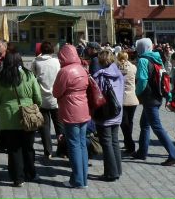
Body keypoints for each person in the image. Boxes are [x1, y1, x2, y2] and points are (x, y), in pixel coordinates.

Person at [0, 51, 42, 188]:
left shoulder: (0, 78)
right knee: (28, 147)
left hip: (8, 117)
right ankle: (30, 173)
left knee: (13, 149)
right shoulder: (28, 75)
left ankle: (17, 178)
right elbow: (37, 96)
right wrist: (35, 105)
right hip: (28, 115)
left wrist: (2, 108)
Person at [131, 37, 175, 165]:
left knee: (156, 127)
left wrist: (136, 93)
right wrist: (168, 96)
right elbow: (164, 78)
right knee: (144, 124)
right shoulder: (157, 58)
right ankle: (142, 151)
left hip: (149, 98)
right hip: (157, 96)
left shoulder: (143, 60)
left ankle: (173, 154)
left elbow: (142, 80)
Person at [52, 43, 90, 189]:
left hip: (70, 110)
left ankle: (77, 180)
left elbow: (56, 92)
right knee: (81, 145)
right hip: (83, 109)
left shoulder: (65, 71)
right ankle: (83, 178)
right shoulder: (82, 68)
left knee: (73, 145)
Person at [93, 48, 124, 181]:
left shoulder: (100, 76)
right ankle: (117, 169)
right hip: (117, 111)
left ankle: (111, 173)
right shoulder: (119, 74)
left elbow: (96, 95)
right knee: (114, 141)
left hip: (105, 113)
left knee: (106, 142)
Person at [32, 41, 62, 161]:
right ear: (52, 51)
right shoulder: (56, 61)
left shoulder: (36, 62)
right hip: (56, 98)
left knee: (44, 127)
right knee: (59, 126)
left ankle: (47, 151)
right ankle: (62, 149)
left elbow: (33, 76)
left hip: (42, 98)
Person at [116, 51, 138, 155]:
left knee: (124, 123)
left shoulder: (116, 68)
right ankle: (128, 142)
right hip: (132, 98)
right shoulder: (133, 67)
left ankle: (130, 144)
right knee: (130, 121)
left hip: (122, 99)